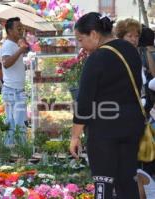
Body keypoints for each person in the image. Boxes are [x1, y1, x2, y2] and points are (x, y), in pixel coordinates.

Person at [69, 12, 145, 199]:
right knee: (128, 181)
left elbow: (84, 103)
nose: (81, 45)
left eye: (81, 39)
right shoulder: (131, 50)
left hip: (104, 128)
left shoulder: (96, 59)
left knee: (104, 183)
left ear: (94, 34)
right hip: (132, 125)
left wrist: (75, 136)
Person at [0, 17, 29, 146]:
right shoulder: (8, 45)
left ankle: (16, 153)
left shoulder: (15, 44)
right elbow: (6, 63)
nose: (21, 30)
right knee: (14, 125)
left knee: (18, 124)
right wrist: (20, 50)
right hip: (12, 90)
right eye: (18, 28)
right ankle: (14, 152)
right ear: (10, 31)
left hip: (17, 90)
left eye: (22, 27)